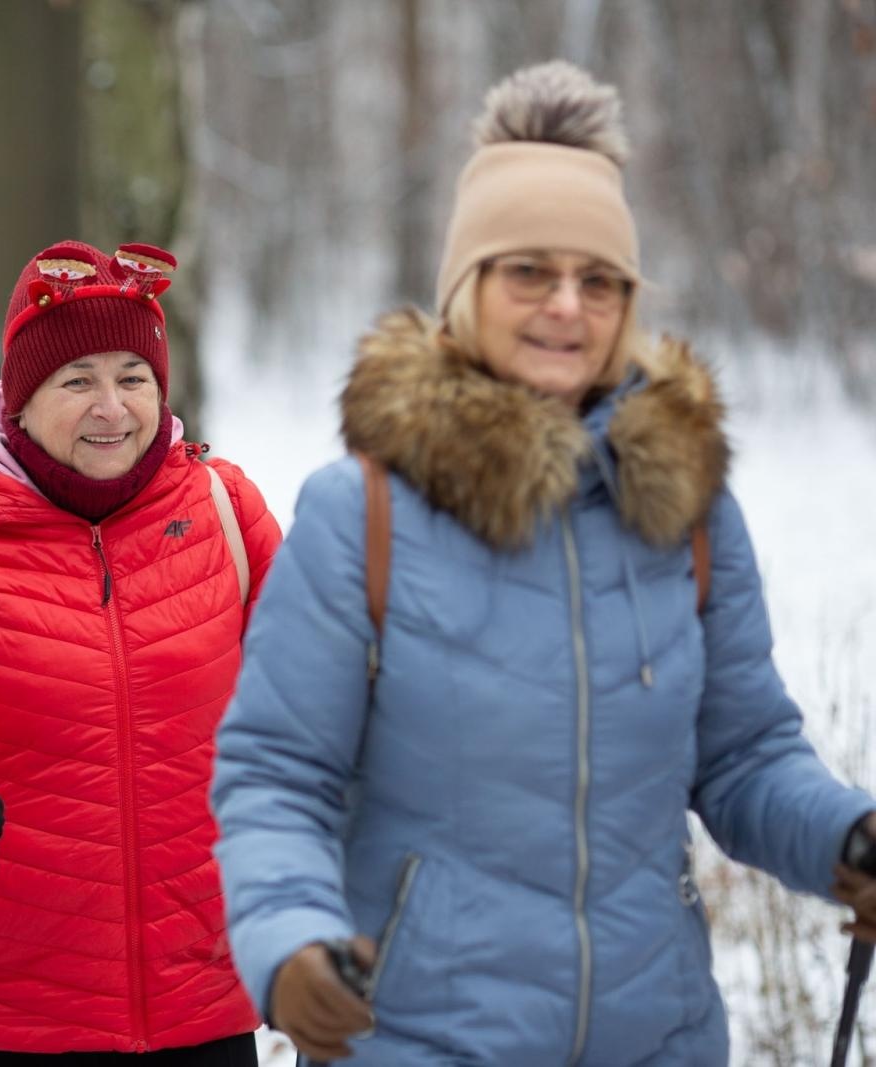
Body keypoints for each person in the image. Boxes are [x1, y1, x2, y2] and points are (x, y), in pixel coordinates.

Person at [210, 61, 876, 1065]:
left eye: (598, 279)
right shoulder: (363, 513)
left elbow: (742, 754)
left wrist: (845, 837)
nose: (568, 306)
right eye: (529, 271)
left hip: (658, 1035)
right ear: (469, 287)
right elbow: (275, 773)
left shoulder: (685, 510)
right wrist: (287, 940)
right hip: (416, 1039)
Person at [0, 240, 283, 1065]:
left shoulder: (223, 510)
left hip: (203, 1003)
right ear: (21, 399)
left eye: (133, 377)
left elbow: (311, 703)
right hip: (9, 1017)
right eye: (78, 381)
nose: (112, 407)